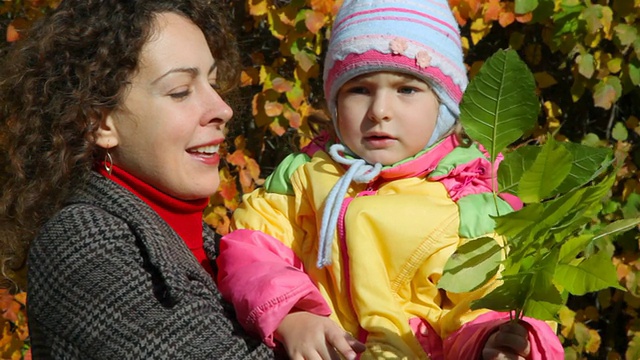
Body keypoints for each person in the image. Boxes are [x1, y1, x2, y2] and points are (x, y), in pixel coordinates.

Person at [216, 0, 565, 359]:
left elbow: (487, 297)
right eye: (359, 89)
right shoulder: (306, 175)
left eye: (407, 90)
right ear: (335, 102)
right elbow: (252, 251)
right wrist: (292, 314)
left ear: (444, 106)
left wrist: (492, 341)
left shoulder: (468, 196)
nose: (380, 111)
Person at [0, 0, 277, 358]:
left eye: (212, 82)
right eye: (181, 91)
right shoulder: (82, 241)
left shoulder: (213, 244)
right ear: (100, 122)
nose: (222, 109)